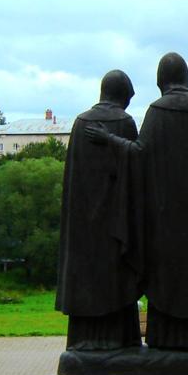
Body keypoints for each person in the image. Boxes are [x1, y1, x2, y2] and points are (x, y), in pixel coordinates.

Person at [88, 52, 188, 351]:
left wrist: (109, 140)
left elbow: (139, 156)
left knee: (168, 278)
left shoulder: (158, 111)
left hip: (167, 221)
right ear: (186, 78)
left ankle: (165, 342)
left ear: (161, 81)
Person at [56, 70, 142, 350]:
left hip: (82, 220)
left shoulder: (80, 123)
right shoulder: (124, 122)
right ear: (122, 95)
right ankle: (120, 340)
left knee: (87, 275)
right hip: (115, 220)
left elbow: (72, 178)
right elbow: (137, 168)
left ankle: (83, 340)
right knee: (115, 278)